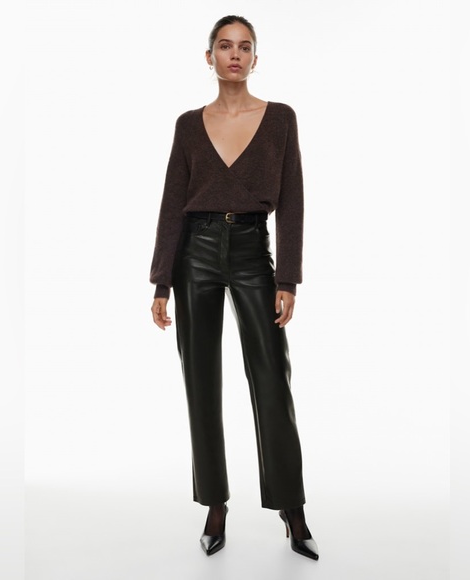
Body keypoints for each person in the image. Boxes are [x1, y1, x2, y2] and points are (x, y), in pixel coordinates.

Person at [149, 15, 318, 561]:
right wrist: (161, 280)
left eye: (245, 47)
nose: (235, 55)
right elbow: (172, 203)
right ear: (210, 57)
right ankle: (215, 505)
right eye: (225, 46)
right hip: (194, 255)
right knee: (200, 381)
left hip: (251, 251)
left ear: (255, 58)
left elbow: (292, 200)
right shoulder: (188, 125)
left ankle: (292, 509)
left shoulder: (280, 118)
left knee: (272, 379)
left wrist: (287, 278)